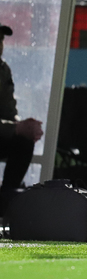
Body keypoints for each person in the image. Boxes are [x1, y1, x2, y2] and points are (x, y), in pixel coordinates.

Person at [0, 23, 44, 214]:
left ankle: (5, 201)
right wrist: (15, 128)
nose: (0, 44)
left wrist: (23, 126)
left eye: (0, 40)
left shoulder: (3, 70)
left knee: (24, 141)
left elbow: (8, 112)